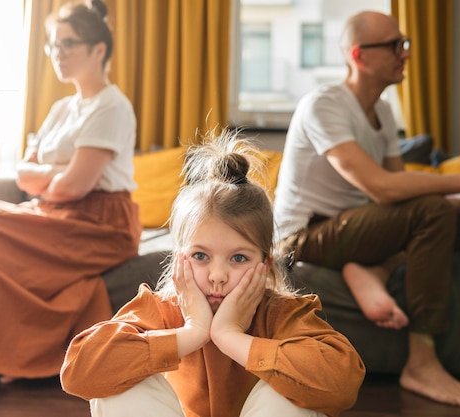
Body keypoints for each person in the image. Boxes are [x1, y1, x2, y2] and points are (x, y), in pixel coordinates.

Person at [273, 10, 460, 409]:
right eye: (395, 45)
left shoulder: (382, 111)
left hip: (356, 227)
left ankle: (371, 267)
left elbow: (404, 191)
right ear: (359, 56)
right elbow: (380, 187)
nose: (406, 53)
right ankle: (421, 362)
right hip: (305, 235)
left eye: (405, 43)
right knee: (434, 212)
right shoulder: (324, 105)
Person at [0, 0, 142, 408]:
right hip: (57, 213)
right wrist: (55, 178)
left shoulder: (112, 107)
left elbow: (76, 186)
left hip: (101, 224)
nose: (58, 54)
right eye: (52, 46)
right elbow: (26, 175)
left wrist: (51, 178)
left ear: (99, 49)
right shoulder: (61, 109)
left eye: (68, 44)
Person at [60, 130, 366, 417]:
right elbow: (78, 371)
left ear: (266, 263)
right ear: (179, 259)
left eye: (238, 258)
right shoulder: (160, 309)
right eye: (201, 256)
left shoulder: (283, 314)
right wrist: (192, 332)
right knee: (117, 381)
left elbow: (342, 382)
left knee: (293, 388)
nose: (217, 275)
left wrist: (228, 335)